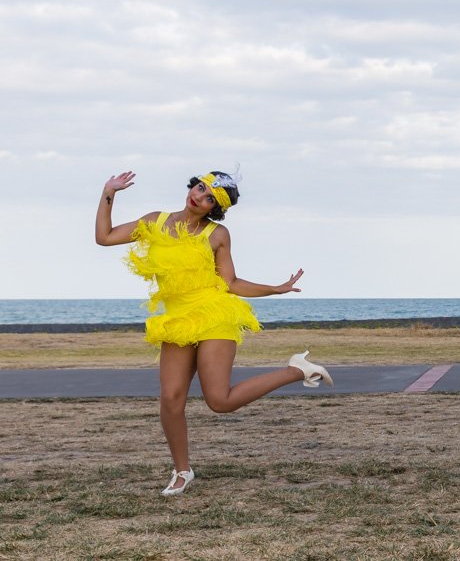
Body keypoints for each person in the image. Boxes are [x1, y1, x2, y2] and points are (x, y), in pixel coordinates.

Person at [94, 169, 331, 495]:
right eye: (201, 187)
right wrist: (110, 192)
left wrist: (275, 289)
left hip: (214, 314)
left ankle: (296, 370)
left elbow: (231, 283)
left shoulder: (217, 234)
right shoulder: (155, 221)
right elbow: (104, 237)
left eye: (209, 198)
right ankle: (182, 470)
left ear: (213, 208)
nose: (199, 195)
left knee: (219, 401)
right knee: (171, 399)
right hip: (178, 318)